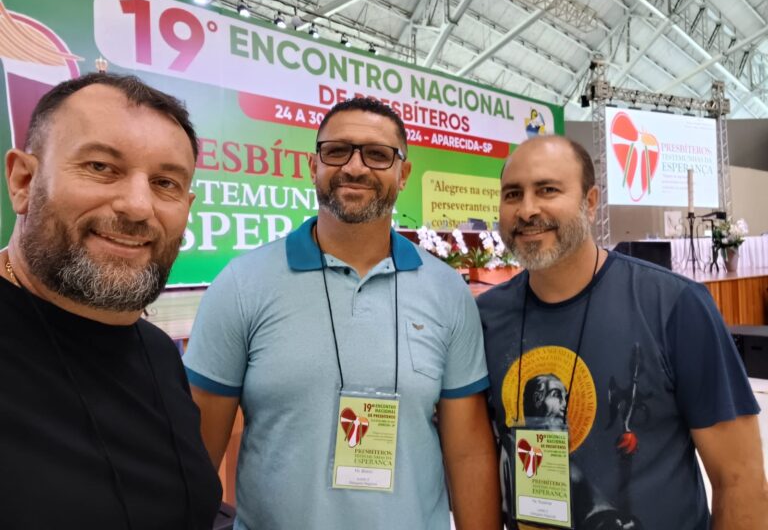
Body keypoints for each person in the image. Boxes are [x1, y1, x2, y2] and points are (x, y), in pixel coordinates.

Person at [184, 97, 501, 529]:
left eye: (377, 154)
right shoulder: (242, 284)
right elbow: (198, 458)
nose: (355, 167)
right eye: (337, 151)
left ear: (403, 173)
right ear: (313, 165)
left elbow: (467, 454)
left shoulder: (447, 291)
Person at [477, 135, 768, 530]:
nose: (527, 209)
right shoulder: (486, 318)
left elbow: (740, 479)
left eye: (547, 190)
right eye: (513, 194)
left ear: (590, 202)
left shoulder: (674, 306)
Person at [0, 73, 222, 529]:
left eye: (165, 183)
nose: (138, 206)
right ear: (23, 181)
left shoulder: (158, 353)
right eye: (101, 167)